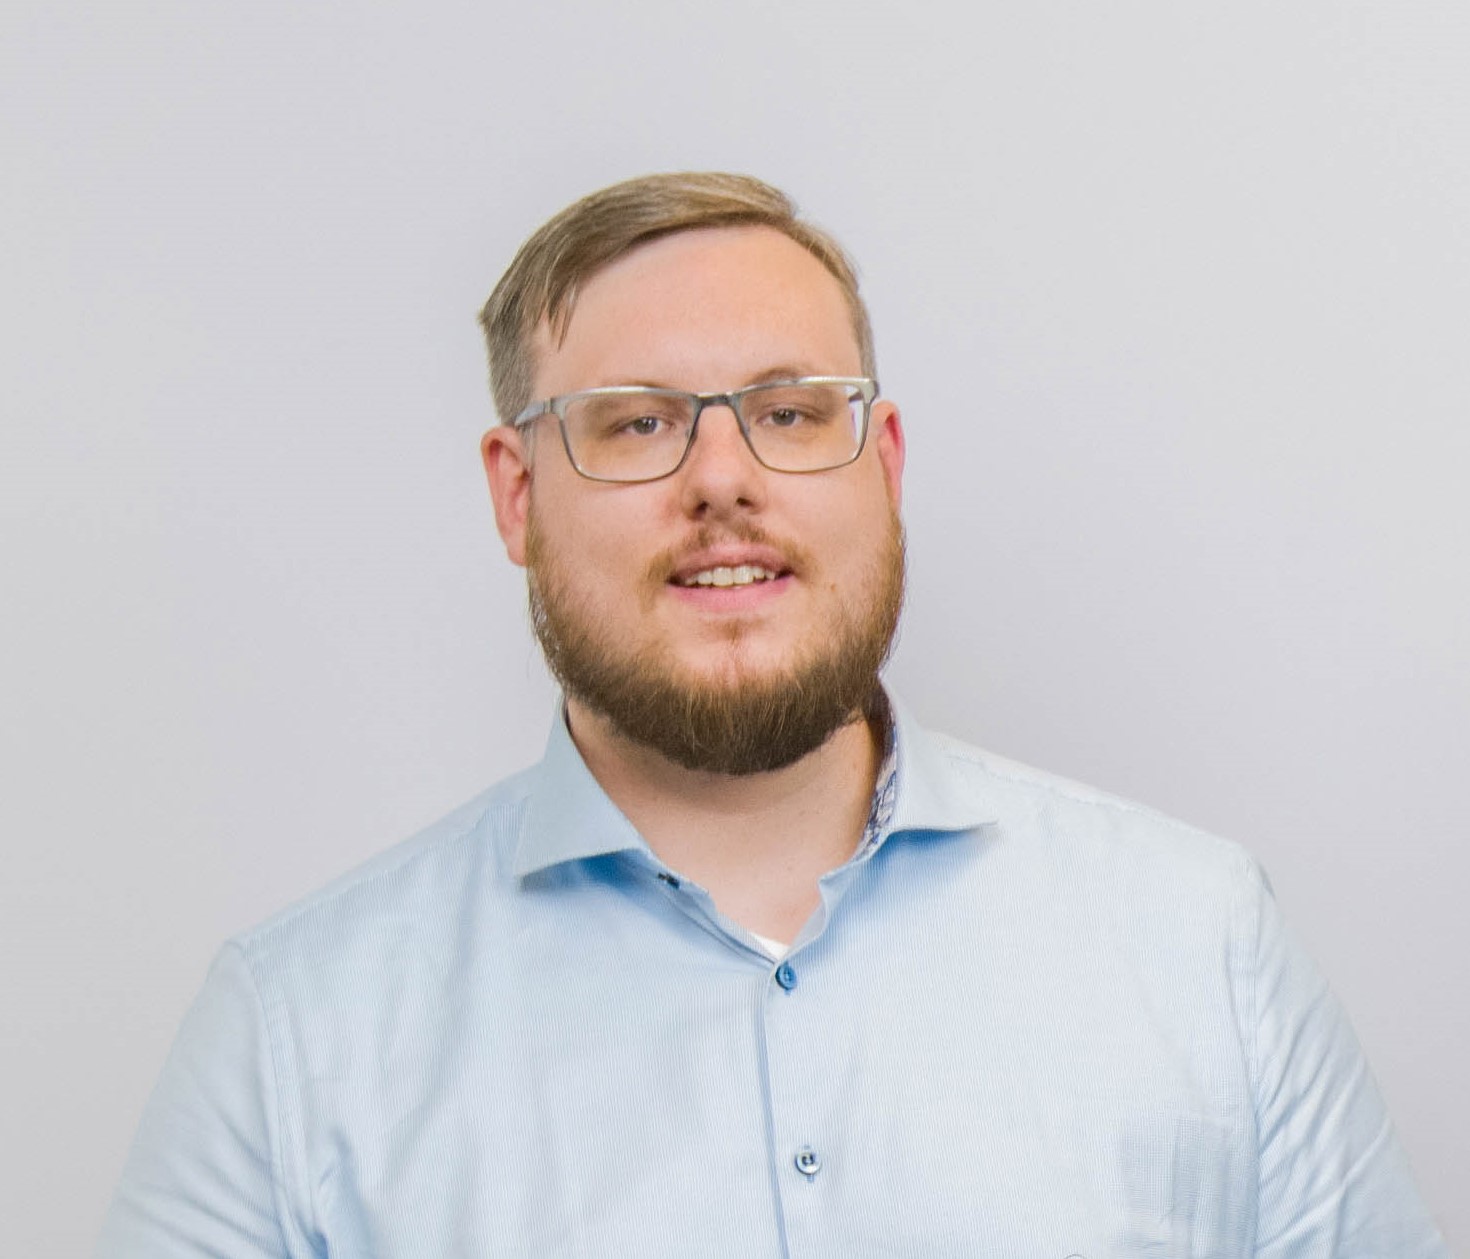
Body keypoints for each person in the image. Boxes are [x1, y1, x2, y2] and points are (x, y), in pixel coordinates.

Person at [97, 173, 1449, 1257]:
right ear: (516, 496)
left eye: (792, 413)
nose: (723, 480)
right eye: (635, 425)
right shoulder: (297, 1035)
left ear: (883, 464)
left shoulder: (1201, 945)